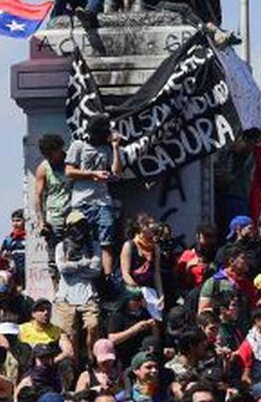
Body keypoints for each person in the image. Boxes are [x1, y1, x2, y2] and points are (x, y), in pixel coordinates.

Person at [65, 116, 121, 278]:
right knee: (80, 241)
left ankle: (107, 277)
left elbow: (117, 173)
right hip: (82, 201)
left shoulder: (107, 148)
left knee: (107, 242)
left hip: (103, 201)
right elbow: (69, 171)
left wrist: (116, 147)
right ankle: (83, 275)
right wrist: (92, 174)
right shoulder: (78, 145)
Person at [54, 210, 103, 370]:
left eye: (81, 225)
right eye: (75, 226)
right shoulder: (61, 247)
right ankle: (74, 368)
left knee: (93, 325)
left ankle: (92, 358)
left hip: (88, 294)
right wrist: (83, 263)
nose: (79, 229)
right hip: (66, 296)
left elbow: (95, 270)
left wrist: (74, 267)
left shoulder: (94, 245)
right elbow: (62, 268)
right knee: (70, 334)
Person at [34, 134, 74, 257]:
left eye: (52, 153)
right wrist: (41, 221)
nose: (50, 158)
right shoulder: (43, 168)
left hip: (74, 216)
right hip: (54, 218)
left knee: (74, 254)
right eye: (47, 155)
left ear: (59, 148)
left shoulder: (72, 161)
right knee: (55, 257)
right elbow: (38, 196)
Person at [121, 214, 165, 317]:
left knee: (155, 319)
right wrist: (139, 293)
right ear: (142, 227)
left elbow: (156, 273)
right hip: (133, 291)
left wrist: (160, 294)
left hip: (149, 290)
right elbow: (125, 273)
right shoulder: (129, 245)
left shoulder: (155, 248)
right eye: (149, 224)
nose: (153, 227)